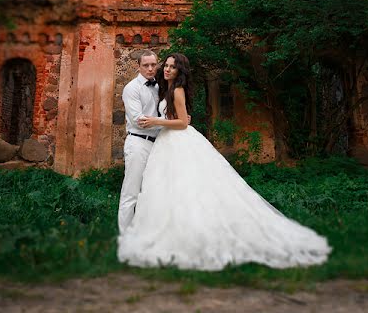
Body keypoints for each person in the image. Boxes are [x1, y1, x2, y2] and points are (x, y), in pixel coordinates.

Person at [116, 52, 331, 270]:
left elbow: (179, 122)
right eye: (163, 66)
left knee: (184, 189)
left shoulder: (175, 89)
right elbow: (147, 120)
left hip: (171, 141)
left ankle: (183, 235)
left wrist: (165, 120)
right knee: (147, 191)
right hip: (146, 142)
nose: (163, 69)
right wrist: (170, 121)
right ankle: (137, 236)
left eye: (167, 66)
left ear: (180, 70)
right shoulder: (145, 88)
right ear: (139, 66)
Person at [117, 49, 161, 234]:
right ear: (138, 66)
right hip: (138, 143)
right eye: (146, 65)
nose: (150, 69)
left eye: (153, 65)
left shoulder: (160, 87)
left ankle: (146, 233)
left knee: (153, 190)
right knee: (131, 192)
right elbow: (139, 121)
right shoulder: (131, 88)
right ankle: (125, 237)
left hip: (159, 144)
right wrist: (170, 125)